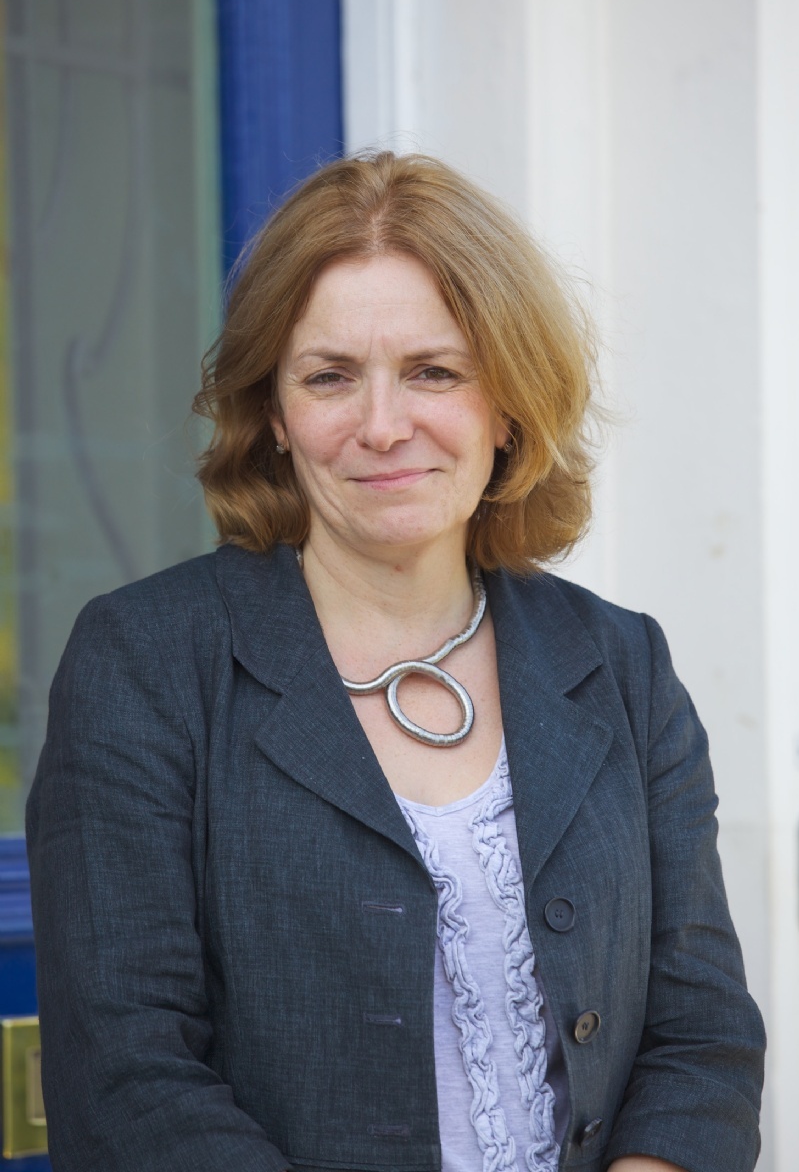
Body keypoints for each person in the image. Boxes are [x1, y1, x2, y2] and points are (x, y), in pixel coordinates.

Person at [26, 151, 765, 1172]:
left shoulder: (619, 664)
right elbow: (127, 1076)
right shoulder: (146, 662)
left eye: (434, 372)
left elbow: (702, 1037)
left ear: (508, 405)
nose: (382, 426)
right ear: (274, 415)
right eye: (329, 377)